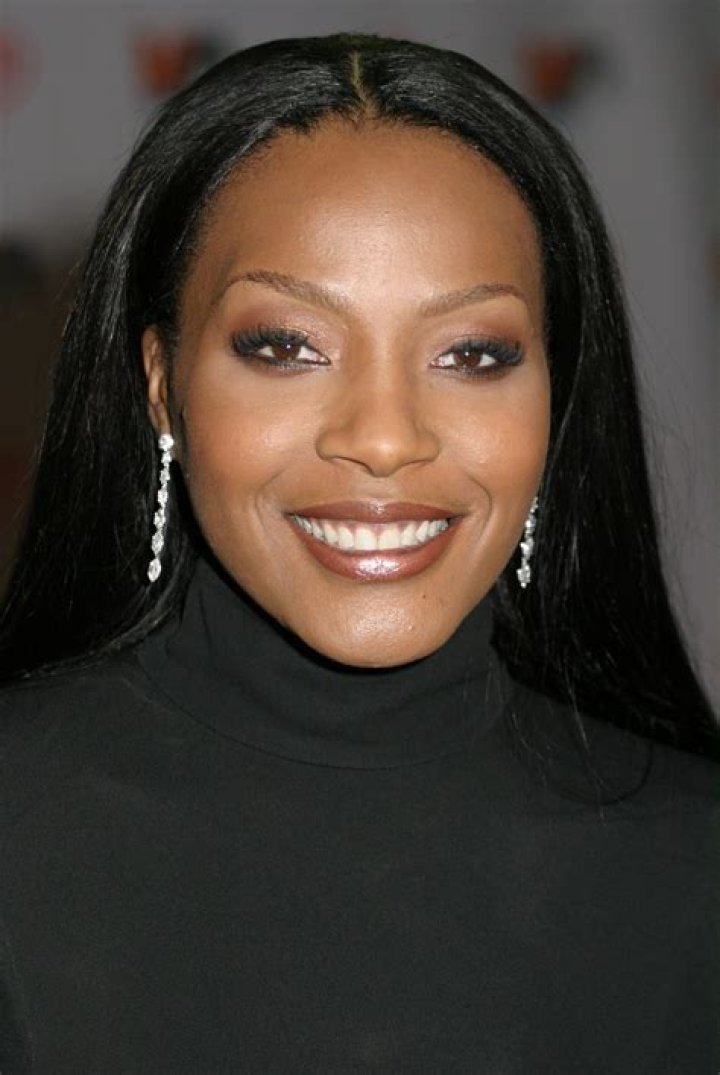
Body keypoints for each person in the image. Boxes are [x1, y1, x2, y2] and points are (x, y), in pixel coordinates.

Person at [0, 32, 717, 1073]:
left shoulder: (693, 868)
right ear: (161, 386)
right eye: (286, 346)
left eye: (472, 354)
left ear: (555, 399)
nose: (383, 438)